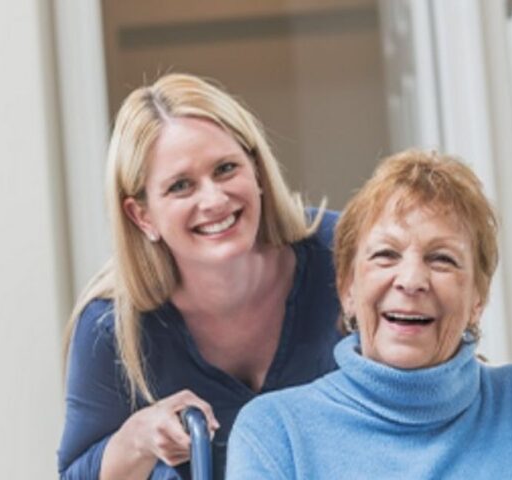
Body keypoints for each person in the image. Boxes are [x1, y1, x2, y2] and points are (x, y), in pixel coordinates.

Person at [225, 150, 512, 479]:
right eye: (386, 255)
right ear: (347, 290)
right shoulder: (274, 430)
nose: (411, 281)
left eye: (442, 259)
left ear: (477, 299)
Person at [57, 73, 342, 479]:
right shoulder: (112, 328)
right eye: (180, 186)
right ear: (142, 216)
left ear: (257, 171)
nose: (213, 199)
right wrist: (138, 439)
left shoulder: (345, 252)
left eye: (225, 169)